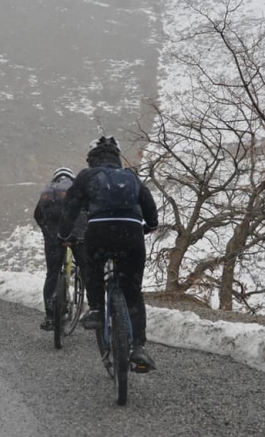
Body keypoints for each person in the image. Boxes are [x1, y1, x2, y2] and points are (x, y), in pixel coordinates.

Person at [58, 136, 158, 370]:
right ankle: (138, 348)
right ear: (117, 157)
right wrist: (150, 225)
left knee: (91, 266)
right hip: (131, 232)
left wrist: (64, 235)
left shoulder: (86, 176)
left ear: (92, 159)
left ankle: (95, 309)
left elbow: (70, 208)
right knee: (133, 291)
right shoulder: (131, 176)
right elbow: (149, 204)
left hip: (100, 230)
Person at [34, 167, 89, 331]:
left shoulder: (49, 191)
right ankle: (94, 309)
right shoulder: (77, 188)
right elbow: (87, 212)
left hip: (54, 236)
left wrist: (47, 232)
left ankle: (50, 316)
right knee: (86, 269)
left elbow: (38, 215)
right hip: (75, 235)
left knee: (52, 273)